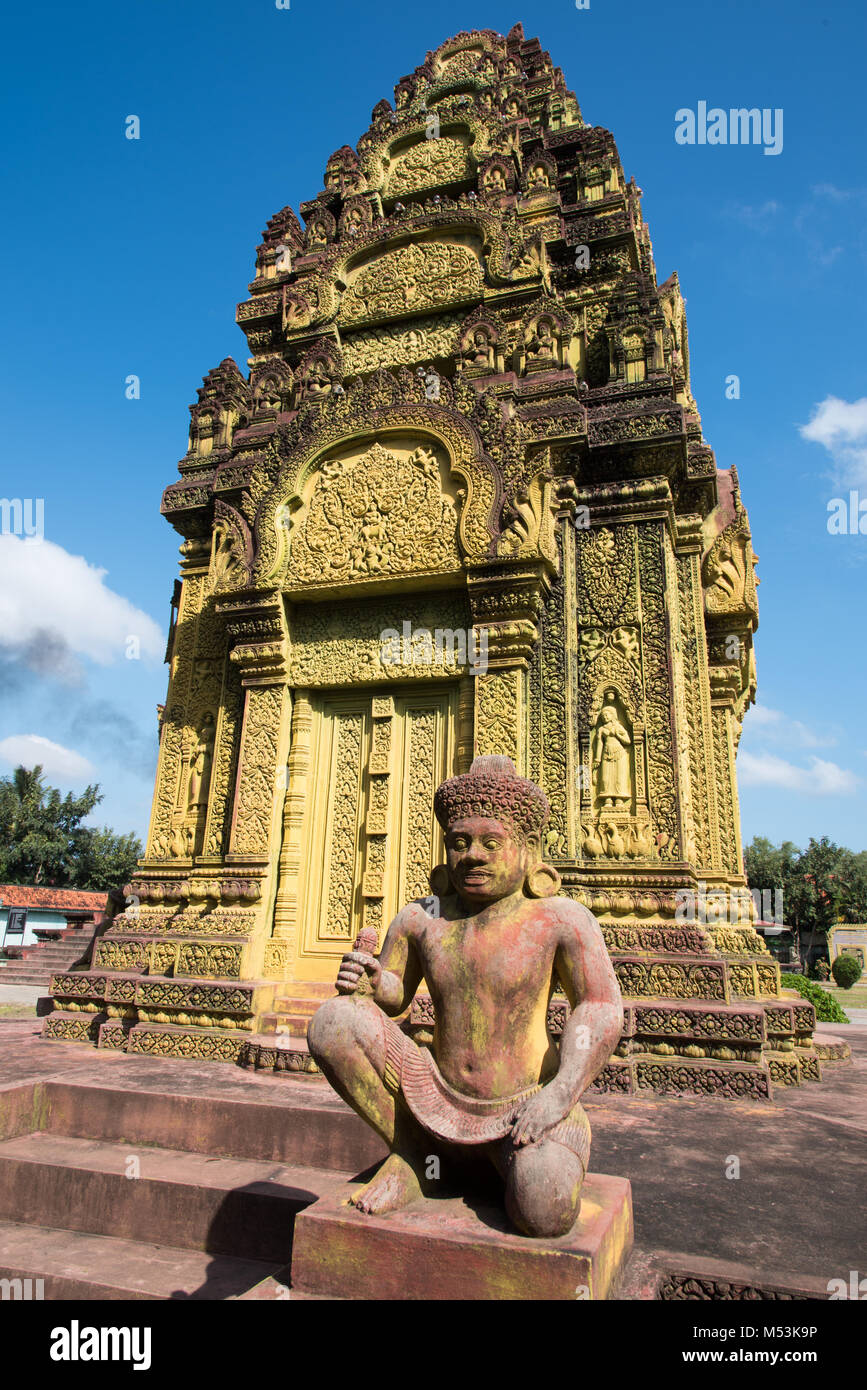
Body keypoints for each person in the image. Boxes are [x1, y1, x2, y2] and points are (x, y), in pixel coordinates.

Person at [307, 755, 623, 1237]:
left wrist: (560, 1094)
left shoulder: (560, 919)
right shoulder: (422, 917)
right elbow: (395, 997)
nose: (472, 855)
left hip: (527, 1107)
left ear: (528, 849)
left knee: (544, 1211)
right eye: (459, 843)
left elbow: (598, 1007)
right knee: (335, 1021)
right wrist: (371, 984)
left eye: (491, 843)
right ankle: (415, 1154)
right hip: (431, 1096)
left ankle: (507, 1160)